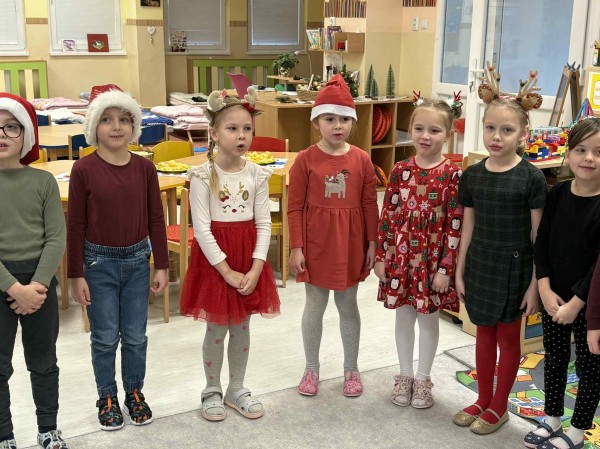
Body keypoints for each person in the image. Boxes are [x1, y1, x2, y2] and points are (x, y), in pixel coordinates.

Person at [452, 64, 547, 435]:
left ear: (523, 134)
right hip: (480, 264)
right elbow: (468, 228)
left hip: (515, 270)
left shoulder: (532, 178)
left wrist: (535, 285)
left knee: (508, 340)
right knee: (483, 334)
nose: (496, 136)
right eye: (490, 127)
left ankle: (500, 406)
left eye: (506, 130)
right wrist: (460, 271)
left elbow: (538, 237)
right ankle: (482, 398)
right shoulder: (472, 175)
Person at [68, 85, 169, 430]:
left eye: (124, 119)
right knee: (105, 336)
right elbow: (75, 224)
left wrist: (162, 264)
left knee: (136, 335)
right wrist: (76, 273)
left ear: (135, 126)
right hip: (98, 264)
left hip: (138, 261)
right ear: (93, 126)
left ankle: (134, 392)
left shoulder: (144, 169)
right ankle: (107, 396)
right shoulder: (84, 169)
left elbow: (156, 219)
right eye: (107, 119)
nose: (116, 126)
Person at [180, 87, 280, 422]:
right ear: (214, 133)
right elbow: (202, 230)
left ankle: (236, 388)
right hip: (217, 263)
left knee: (241, 326)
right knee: (217, 328)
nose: (241, 136)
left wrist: (256, 268)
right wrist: (226, 271)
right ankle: (212, 389)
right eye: (232, 128)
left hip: (247, 260)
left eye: (247, 129)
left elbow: (264, 223)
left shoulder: (257, 173)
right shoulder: (202, 175)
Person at [288, 74, 379, 397]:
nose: (337, 125)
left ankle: (351, 369)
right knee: (314, 305)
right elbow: (294, 207)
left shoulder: (362, 160)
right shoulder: (305, 160)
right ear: (316, 122)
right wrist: (296, 247)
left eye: (344, 119)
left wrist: (372, 243)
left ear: (352, 122)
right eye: (329, 119)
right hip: (316, 245)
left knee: (348, 304)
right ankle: (311, 368)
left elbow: (370, 205)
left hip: (351, 245)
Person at [374, 96, 463, 409]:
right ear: (410, 130)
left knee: (428, 319)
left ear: (448, 135)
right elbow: (387, 215)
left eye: (434, 130)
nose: (426, 136)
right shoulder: (400, 170)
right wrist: (382, 256)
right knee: (403, 316)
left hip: (432, 262)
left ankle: (423, 379)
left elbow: (455, 225)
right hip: (401, 258)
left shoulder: (453, 175)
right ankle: (405, 375)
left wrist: (445, 269)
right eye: (419, 128)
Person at [525, 116, 600, 449]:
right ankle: (552, 418)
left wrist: (576, 303)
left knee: (590, 367)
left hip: (589, 303)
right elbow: (541, 241)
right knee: (554, 358)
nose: (589, 158)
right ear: (568, 154)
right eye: (581, 149)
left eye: (598, 152)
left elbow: (599, 266)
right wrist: (543, 286)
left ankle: (578, 431)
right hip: (553, 296)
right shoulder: (556, 194)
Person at [0, 93, 69, 449]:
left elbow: (56, 237)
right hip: (2, 281)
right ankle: (4, 436)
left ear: (26, 134)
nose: (2, 135)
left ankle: (48, 429)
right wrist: (15, 289)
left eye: (11, 127)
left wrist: (37, 286)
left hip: (39, 280)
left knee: (43, 361)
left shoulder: (43, 182)